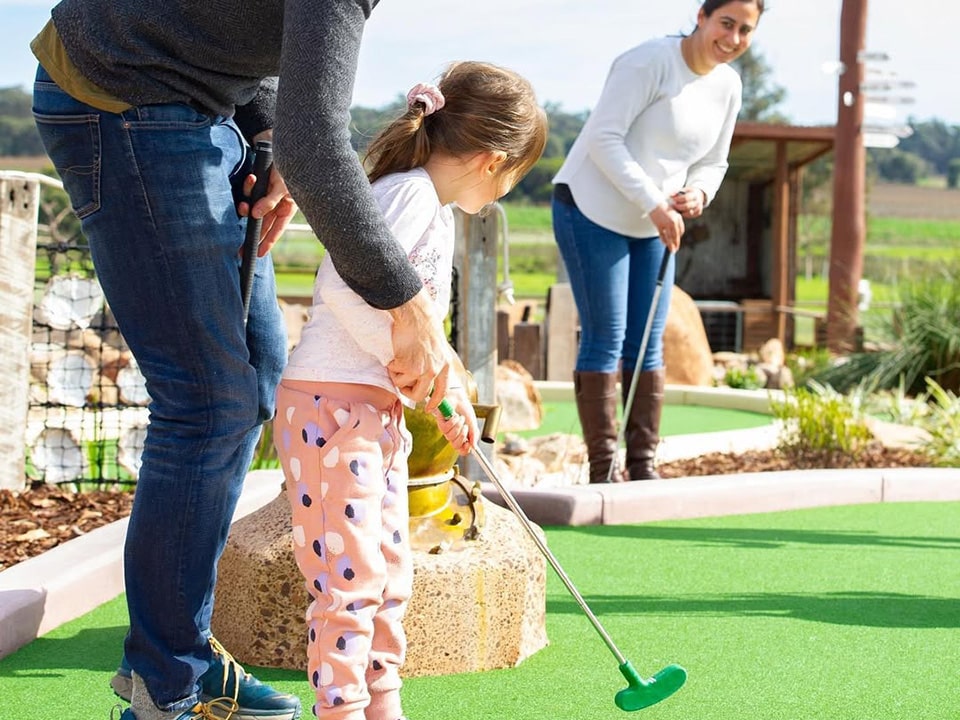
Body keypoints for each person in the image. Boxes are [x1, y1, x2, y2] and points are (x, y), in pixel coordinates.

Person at [28, 3, 468, 720]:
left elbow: (250, 36)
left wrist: (263, 130)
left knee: (255, 373)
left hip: (198, 105)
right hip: (124, 95)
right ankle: (164, 683)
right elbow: (318, 143)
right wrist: (407, 303)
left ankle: (183, 656)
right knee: (208, 401)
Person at [273, 61, 547, 720]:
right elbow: (346, 289)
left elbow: (420, 327)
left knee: (390, 571)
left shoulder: (436, 211)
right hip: (328, 407)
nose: (511, 188)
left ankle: (382, 703)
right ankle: (340, 710)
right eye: (518, 175)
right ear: (495, 161)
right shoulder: (409, 194)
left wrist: (442, 395)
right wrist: (399, 356)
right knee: (351, 579)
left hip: (372, 411)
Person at [551, 0, 764, 483]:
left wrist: (700, 192)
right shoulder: (648, 62)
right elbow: (604, 138)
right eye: (726, 23)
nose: (732, 38)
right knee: (606, 339)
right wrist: (654, 201)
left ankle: (643, 467)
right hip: (591, 208)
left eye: (745, 30)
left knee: (648, 345)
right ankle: (603, 471)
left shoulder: (729, 85)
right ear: (702, 17)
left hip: (655, 220)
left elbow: (716, 161)